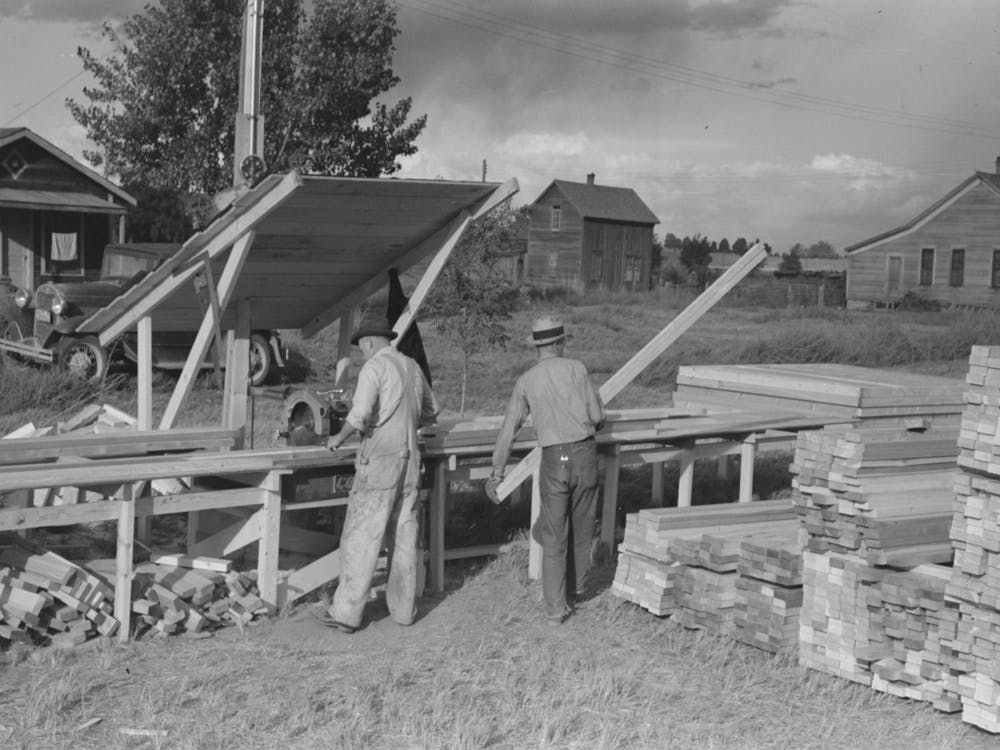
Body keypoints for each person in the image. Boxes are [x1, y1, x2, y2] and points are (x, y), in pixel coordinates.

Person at [316, 315, 438, 633]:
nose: (362, 354)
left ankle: (345, 613)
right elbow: (430, 412)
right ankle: (404, 610)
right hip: (411, 462)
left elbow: (358, 416)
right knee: (405, 536)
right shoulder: (412, 366)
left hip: (380, 462)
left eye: (361, 349)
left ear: (369, 343)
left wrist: (336, 439)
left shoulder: (374, 367)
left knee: (361, 535)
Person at [486, 315, 605, 623]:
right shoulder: (577, 369)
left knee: (553, 533)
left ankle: (555, 609)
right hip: (585, 453)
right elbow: (595, 416)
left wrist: (497, 473)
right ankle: (575, 589)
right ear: (559, 343)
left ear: (538, 347)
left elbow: (508, 429)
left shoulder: (526, 381)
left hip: (555, 458)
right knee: (582, 527)